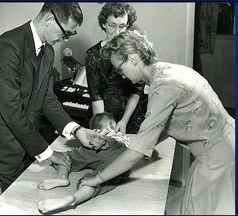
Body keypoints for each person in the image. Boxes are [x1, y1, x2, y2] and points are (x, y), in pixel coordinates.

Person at [80, 30, 235, 215]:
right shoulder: (169, 71)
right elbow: (164, 126)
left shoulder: (164, 86)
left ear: (133, 59)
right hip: (224, 147)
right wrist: (142, 143)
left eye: (120, 69)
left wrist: (98, 178)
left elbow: (137, 152)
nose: (121, 75)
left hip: (217, 159)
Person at [0, 3, 107, 192]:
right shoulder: (7, 48)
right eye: (65, 33)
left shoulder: (48, 51)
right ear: (50, 20)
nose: (65, 39)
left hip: (25, 141)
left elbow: (47, 98)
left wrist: (77, 130)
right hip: (1, 146)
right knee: (25, 200)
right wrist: (49, 154)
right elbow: (13, 113)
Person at [37, 112, 132, 214]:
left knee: (64, 158)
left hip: (99, 142)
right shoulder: (122, 136)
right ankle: (74, 198)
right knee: (95, 180)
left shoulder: (97, 134)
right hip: (124, 155)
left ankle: (62, 177)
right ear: (113, 125)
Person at [85, 3, 147, 134]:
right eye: (112, 25)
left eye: (122, 26)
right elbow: (96, 95)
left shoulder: (135, 50)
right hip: (102, 112)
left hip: (131, 114)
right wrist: (103, 126)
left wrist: (124, 121)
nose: (117, 31)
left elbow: (137, 90)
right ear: (103, 24)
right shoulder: (93, 54)